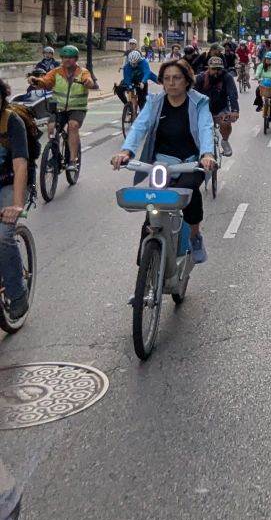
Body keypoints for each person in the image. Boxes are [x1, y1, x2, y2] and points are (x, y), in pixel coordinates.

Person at [111, 59, 216, 264]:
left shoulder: (199, 102)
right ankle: (145, 270)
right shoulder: (154, 102)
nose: (171, 83)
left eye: (176, 78)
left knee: (189, 192)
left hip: (191, 163)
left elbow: (205, 128)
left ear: (187, 81)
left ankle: (195, 236)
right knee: (152, 209)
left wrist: (207, 155)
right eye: (166, 79)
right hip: (161, 165)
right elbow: (139, 126)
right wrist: (126, 152)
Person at [29, 45, 95, 173]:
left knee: (73, 125)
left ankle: (72, 160)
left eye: (70, 57)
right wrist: (36, 81)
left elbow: (89, 81)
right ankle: (54, 155)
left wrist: (88, 82)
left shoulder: (83, 72)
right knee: (51, 127)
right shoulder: (56, 72)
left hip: (77, 108)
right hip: (58, 108)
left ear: (75, 59)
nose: (67, 60)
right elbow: (46, 81)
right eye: (64, 57)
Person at [0, 79, 30, 319]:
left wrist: (17, 204)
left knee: (2, 236)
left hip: (9, 182)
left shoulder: (12, 122)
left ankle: (17, 293)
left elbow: (20, 166)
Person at [195, 56, 240, 156]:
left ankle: (225, 141)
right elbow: (193, 95)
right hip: (203, 109)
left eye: (219, 69)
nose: (216, 72)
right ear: (208, 68)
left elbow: (232, 94)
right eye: (214, 69)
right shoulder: (200, 78)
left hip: (221, 109)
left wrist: (235, 110)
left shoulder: (227, 77)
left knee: (226, 123)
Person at [254, 52, 271, 126]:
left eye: (270, 59)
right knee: (257, 91)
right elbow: (257, 73)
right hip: (263, 84)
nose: (268, 60)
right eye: (267, 59)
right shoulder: (261, 66)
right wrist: (257, 77)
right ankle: (260, 105)